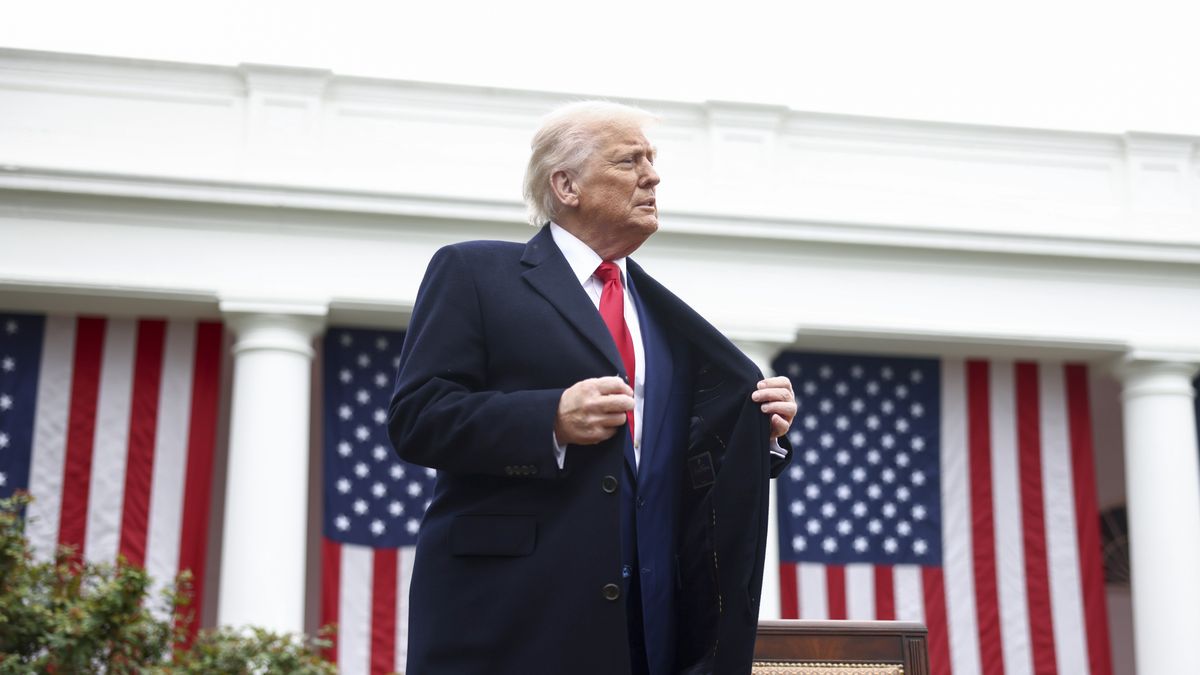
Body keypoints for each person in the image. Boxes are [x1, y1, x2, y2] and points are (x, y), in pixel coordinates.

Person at [388, 101, 796, 675]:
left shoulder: (664, 317)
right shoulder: (474, 273)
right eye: (630, 161)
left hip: (648, 630)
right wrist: (549, 419)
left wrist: (757, 431)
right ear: (566, 184)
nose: (652, 176)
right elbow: (418, 418)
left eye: (652, 161)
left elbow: (682, 463)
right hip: (512, 620)